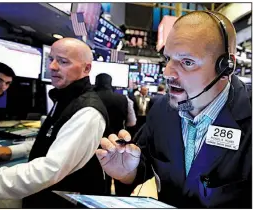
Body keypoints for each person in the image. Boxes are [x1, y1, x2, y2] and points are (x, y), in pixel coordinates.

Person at [96, 11, 251, 208]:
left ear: (226, 67)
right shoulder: (161, 111)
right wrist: (127, 173)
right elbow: (142, 165)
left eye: (187, 62)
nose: (167, 73)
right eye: (168, 58)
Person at [0, 38, 109, 208]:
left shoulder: (87, 111)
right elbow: (51, 140)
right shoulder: (66, 97)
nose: (52, 67)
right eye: (51, 59)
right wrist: (11, 151)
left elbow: (48, 170)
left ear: (87, 68)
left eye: (63, 62)